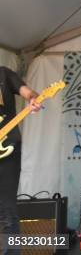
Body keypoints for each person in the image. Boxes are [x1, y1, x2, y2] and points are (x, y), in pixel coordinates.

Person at [0, 66, 41, 255]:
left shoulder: (4, 74)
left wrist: (34, 99)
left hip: (8, 148)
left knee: (7, 209)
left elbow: (27, 92)